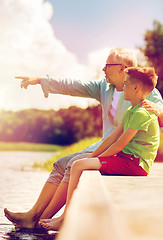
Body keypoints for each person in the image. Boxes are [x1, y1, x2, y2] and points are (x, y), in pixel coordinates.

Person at [4, 48, 163, 229]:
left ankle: (41, 220)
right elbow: (75, 85)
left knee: (73, 163)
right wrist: (42, 81)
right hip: (107, 144)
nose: (103, 69)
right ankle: (34, 215)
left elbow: (156, 117)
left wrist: (159, 110)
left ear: (122, 68)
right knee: (60, 163)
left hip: (127, 151)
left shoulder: (146, 92)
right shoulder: (105, 87)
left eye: (107, 65)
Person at [39, 66, 160, 231]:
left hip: (136, 164)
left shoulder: (142, 113)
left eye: (125, 85)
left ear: (136, 88)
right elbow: (111, 138)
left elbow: (119, 145)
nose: (122, 89)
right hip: (126, 158)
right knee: (80, 163)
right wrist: (92, 157)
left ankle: (64, 218)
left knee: (78, 165)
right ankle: (63, 216)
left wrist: (93, 160)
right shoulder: (132, 110)